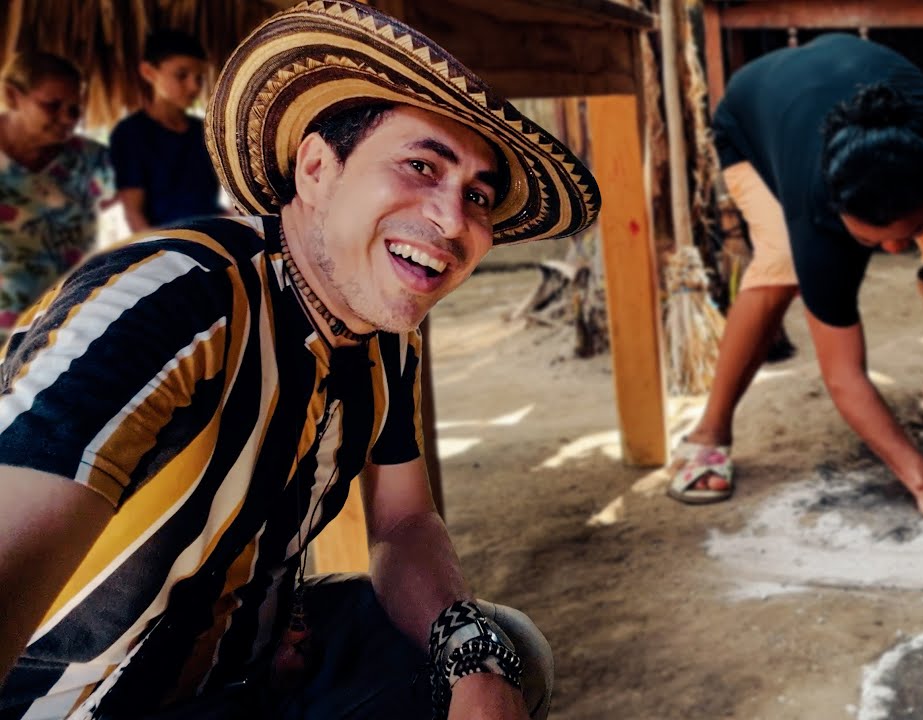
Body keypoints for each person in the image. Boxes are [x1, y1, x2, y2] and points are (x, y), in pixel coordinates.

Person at [0, 3, 599, 718]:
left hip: (249, 671)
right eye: (420, 166)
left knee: (503, 649)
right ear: (316, 167)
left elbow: (404, 523)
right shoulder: (170, 305)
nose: (452, 220)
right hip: (82, 701)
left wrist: (469, 652)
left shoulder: (381, 336)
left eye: (477, 196)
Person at [666, 34, 923, 541]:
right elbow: (844, 375)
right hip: (754, 119)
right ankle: (709, 430)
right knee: (781, 265)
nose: (891, 254)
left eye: (904, 237)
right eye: (874, 240)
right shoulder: (814, 211)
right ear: (839, 212)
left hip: (860, 102)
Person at [0, 51, 114, 345]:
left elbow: (145, 204)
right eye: (52, 106)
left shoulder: (89, 160)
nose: (66, 120)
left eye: (74, 110)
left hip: (64, 328)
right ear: (13, 97)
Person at [109, 29, 223, 231]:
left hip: (212, 240)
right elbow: (134, 213)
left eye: (199, 78)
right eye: (182, 75)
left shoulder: (203, 132)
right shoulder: (131, 134)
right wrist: (159, 256)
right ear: (149, 72)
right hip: (166, 247)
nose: (193, 87)